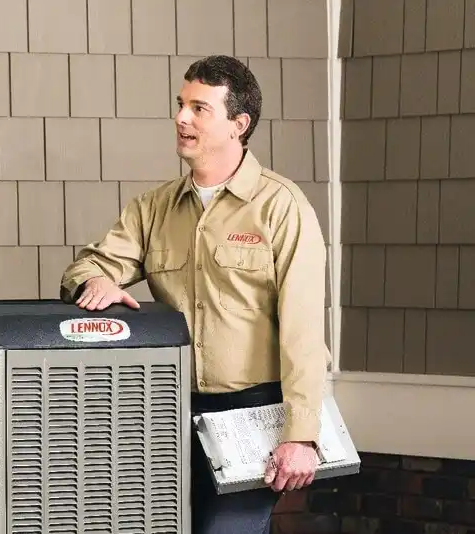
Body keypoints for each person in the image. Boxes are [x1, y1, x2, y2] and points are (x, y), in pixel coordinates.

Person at [60, 55, 330, 534]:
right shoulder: (152, 208)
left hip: (254, 413)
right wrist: (94, 281)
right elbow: (88, 265)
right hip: (168, 415)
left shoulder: (281, 207)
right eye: (181, 105)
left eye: (199, 108)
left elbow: (304, 331)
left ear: (238, 124)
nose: (181, 118)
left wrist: (302, 435)